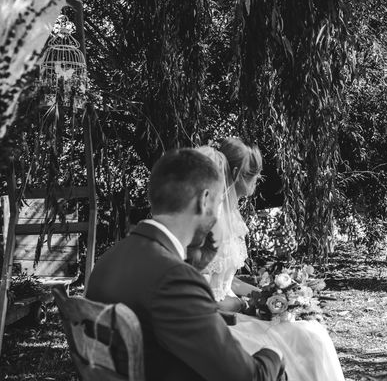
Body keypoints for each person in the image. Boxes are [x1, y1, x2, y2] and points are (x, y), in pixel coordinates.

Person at [86, 148, 286, 381]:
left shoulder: (108, 261)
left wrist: (193, 267)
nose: (219, 211)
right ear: (204, 201)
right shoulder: (174, 279)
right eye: (220, 200)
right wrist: (276, 352)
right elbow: (246, 377)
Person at [195, 138, 346, 381]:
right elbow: (203, 294)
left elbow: (228, 281)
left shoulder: (230, 215)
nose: (258, 181)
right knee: (303, 340)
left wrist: (268, 295)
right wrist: (245, 306)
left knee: (312, 332)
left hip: (232, 307)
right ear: (236, 174)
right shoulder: (211, 222)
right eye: (254, 176)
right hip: (218, 320)